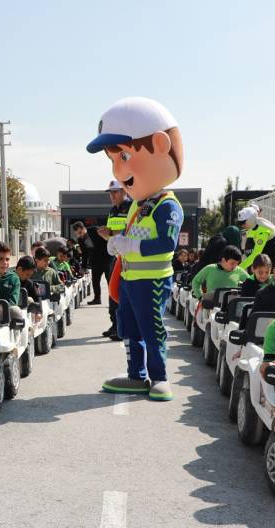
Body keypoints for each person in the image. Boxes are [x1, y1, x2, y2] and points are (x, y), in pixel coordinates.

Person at [88, 96, 184, 401]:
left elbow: (166, 243)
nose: (119, 171)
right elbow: (130, 233)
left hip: (152, 281)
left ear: (160, 145)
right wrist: (117, 244)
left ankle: (160, 377)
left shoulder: (167, 206)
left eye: (124, 156)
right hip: (130, 279)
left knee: (152, 330)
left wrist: (130, 245)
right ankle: (136, 375)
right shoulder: (137, 204)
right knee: (128, 328)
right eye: (113, 160)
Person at [94, 180, 130, 317]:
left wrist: (110, 233)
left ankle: (119, 324)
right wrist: (105, 235)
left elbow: (131, 231)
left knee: (122, 293)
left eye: (115, 192)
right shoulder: (112, 210)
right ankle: (114, 322)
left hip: (128, 258)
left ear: (124, 191)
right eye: (110, 193)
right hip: (115, 256)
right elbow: (111, 235)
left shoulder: (132, 207)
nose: (112, 195)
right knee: (113, 290)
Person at [236, 205, 275, 271]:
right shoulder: (253, 225)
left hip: (273, 255)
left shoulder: (262, 231)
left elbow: (255, 254)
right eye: (240, 223)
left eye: (243, 223)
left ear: (251, 219)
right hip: (265, 253)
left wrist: (238, 269)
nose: (242, 225)